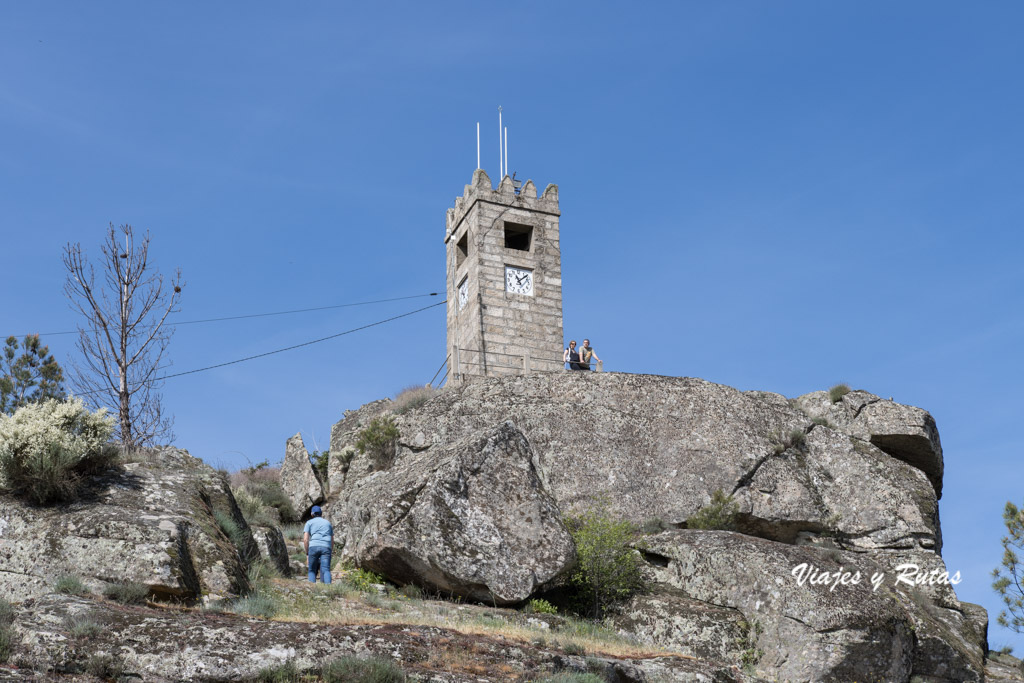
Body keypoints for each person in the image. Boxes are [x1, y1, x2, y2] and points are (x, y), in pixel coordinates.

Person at [303, 505, 334, 584]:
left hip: (313, 547)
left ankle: (312, 591)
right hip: (326, 547)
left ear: (312, 514)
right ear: (321, 513)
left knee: (312, 570)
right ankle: (329, 590)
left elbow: (306, 539)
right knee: (326, 569)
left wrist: (307, 553)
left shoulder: (309, 523)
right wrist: (330, 550)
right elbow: (332, 539)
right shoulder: (328, 523)